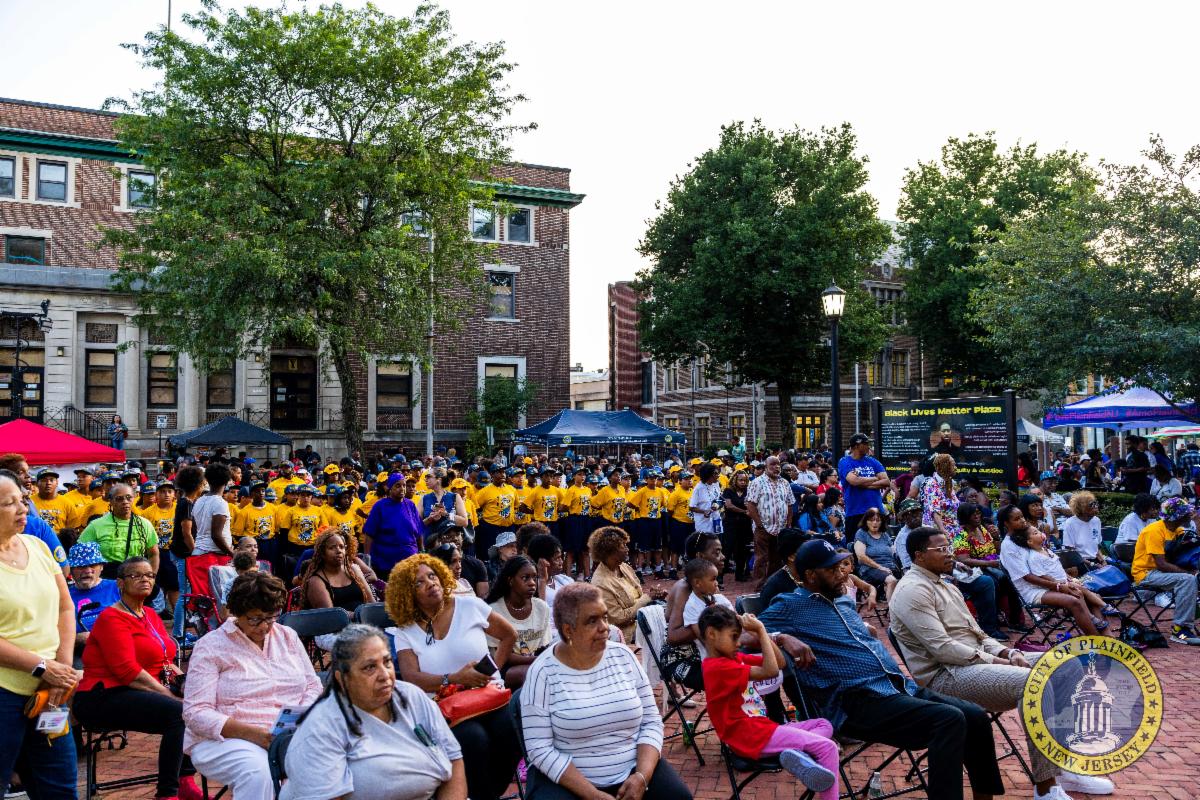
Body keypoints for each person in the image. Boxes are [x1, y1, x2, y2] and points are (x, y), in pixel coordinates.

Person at [757, 539, 1004, 800]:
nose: (841, 573)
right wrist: (780, 637)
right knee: (948, 720)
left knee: (975, 716)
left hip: (895, 686)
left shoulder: (842, 601)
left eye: (840, 567)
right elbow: (741, 631)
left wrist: (864, 632)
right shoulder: (791, 605)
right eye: (831, 569)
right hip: (856, 702)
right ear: (810, 575)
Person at [889, 527, 1106, 800]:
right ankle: (1046, 786)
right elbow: (942, 649)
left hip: (975, 662)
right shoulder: (912, 590)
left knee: (1067, 665)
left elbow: (979, 635)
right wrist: (999, 660)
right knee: (1033, 683)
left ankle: (1064, 764)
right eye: (941, 549)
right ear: (919, 556)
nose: (949, 554)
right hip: (945, 676)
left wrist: (1008, 652)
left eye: (949, 547)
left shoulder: (946, 584)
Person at [520, 582, 691, 800]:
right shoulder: (542, 672)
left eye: (605, 617)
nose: (605, 627)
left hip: (632, 770)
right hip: (569, 780)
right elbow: (539, 748)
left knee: (678, 797)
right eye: (592, 621)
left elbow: (651, 722)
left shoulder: (623, 657)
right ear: (568, 629)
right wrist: (593, 795)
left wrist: (641, 777)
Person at [386, 554, 521, 800]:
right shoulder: (405, 631)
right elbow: (412, 677)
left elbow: (509, 635)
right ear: (407, 593)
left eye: (432, 576)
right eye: (418, 582)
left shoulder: (469, 606)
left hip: (488, 696)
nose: (430, 583)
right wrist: (455, 678)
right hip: (444, 707)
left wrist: (493, 671)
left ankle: (488, 794)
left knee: (510, 730)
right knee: (473, 739)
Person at [280, 625, 467, 800]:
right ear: (343, 679)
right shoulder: (321, 727)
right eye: (369, 667)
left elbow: (454, 760)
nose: (385, 675)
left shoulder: (412, 697)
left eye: (387, 662)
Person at [184, 571, 323, 800]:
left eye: (271, 617)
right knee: (259, 772)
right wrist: (258, 735)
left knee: (338, 759)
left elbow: (312, 685)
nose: (265, 626)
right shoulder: (211, 646)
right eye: (255, 618)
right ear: (237, 612)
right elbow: (195, 713)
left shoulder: (287, 636)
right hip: (228, 739)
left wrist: (301, 714)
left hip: (288, 735)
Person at [74, 557, 200, 800]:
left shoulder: (149, 614)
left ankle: (185, 780)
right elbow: (127, 672)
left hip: (139, 690)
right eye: (137, 575)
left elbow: (165, 660)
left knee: (200, 706)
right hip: (103, 695)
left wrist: (185, 683)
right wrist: (170, 695)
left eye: (150, 575)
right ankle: (168, 793)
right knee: (179, 713)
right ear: (120, 583)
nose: (145, 580)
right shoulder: (111, 617)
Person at [699, 605, 838, 799]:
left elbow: (780, 663)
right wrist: (761, 630)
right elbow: (771, 671)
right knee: (827, 747)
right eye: (733, 637)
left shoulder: (733, 659)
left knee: (824, 724)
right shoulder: (718, 667)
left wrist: (761, 632)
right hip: (750, 736)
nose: (739, 643)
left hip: (761, 729)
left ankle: (798, 755)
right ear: (712, 634)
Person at [0, 469, 81, 799]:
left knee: (59, 786)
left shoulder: (37, 546)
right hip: (5, 690)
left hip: (49, 692)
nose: (23, 509)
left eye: (22, 500)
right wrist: (42, 667)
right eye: (9, 503)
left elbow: (65, 607)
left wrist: (60, 671)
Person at [996, 505, 1115, 637]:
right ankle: (1097, 641)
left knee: (1091, 596)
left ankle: (1109, 639)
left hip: (1052, 581)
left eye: (1022, 517)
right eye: (1016, 519)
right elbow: (1027, 577)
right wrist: (1059, 586)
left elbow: (1051, 564)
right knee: (1074, 600)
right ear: (1006, 523)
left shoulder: (1027, 535)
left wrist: (1067, 579)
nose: (1022, 520)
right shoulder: (1009, 546)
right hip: (1033, 590)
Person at [1130, 497, 1200, 645]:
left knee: (1195, 577)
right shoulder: (1154, 531)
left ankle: (1188, 621)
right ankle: (1180, 630)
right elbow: (1161, 565)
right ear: (1176, 516)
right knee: (1187, 579)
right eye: (1186, 513)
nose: (1189, 514)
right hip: (1146, 573)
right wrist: (1189, 573)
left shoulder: (1178, 530)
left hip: (1163, 571)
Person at [588, 526, 666, 643]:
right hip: (625, 633)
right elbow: (618, 618)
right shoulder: (600, 583)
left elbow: (637, 598)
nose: (627, 549)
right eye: (623, 546)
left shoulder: (624, 567)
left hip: (639, 623)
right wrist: (647, 598)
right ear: (611, 551)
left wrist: (654, 596)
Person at [484, 555, 552, 689]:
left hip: (535, 663)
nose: (532, 583)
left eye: (534, 577)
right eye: (525, 578)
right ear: (510, 581)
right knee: (530, 674)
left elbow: (544, 647)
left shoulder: (541, 607)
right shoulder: (494, 610)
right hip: (501, 667)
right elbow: (502, 656)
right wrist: (538, 661)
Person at [77, 481, 160, 580]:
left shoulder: (144, 524)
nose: (125, 501)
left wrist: (151, 577)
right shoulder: (96, 525)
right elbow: (80, 553)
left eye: (128, 497)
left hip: (136, 579)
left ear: (133, 499)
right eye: (119, 499)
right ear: (111, 501)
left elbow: (154, 554)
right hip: (107, 579)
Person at [187, 464, 235, 598]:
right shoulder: (220, 503)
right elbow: (216, 535)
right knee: (217, 599)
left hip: (199, 554)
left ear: (207, 480)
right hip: (213, 557)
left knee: (203, 600)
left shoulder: (198, 501)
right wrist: (232, 553)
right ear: (227, 482)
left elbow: (195, 530)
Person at [363, 475, 424, 578]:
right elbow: (369, 534)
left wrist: (422, 551)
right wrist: (367, 559)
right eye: (398, 486)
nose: (402, 488)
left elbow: (419, 531)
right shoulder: (380, 506)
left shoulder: (410, 505)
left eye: (404, 485)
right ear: (390, 488)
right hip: (386, 564)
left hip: (410, 562)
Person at [300, 529, 375, 614]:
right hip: (338, 622)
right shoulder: (316, 581)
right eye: (332, 548)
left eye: (341, 547)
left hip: (365, 620)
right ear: (322, 553)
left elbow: (371, 602)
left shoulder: (353, 570)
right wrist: (360, 615)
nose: (338, 551)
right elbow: (331, 615)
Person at [746, 455, 794, 586]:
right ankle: (759, 585)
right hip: (762, 528)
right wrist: (759, 524)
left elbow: (790, 504)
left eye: (778, 464)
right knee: (761, 558)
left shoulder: (785, 483)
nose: (776, 467)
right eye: (772, 464)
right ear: (766, 467)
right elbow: (750, 505)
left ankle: (773, 585)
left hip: (781, 528)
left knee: (777, 558)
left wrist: (789, 523)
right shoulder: (757, 482)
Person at [67, 541, 121, 646]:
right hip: (80, 651)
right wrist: (76, 639)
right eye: (81, 566)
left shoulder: (118, 587)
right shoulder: (64, 595)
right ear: (71, 570)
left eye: (92, 565)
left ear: (101, 567)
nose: (88, 570)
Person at [836, 433, 890, 536]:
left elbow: (886, 482)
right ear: (856, 446)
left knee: (878, 542)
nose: (868, 446)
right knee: (854, 543)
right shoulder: (845, 461)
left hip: (876, 511)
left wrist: (863, 484)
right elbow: (854, 481)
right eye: (865, 444)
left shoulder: (873, 461)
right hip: (856, 511)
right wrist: (875, 478)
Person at [852, 508, 898, 601]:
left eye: (878, 520)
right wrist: (880, 567)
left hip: (889, 567)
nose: (875, 523)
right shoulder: (862, 533)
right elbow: (861, 556)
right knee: (892, 580)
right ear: (866, 521)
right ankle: (892, 609)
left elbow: (893, 552)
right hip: (870, 569)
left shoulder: (885, 535)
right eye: (871, 520)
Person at [1060, 491, 1105, 572]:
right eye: (1092, 504)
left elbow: (1097, 547)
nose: (1096, 506)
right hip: (1080, 561)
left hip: (1095, 560)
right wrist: (1092, 564)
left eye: (1095, 503)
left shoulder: (1096, 520)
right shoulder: (1070, 523)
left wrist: (1103, 561)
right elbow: (1071, 552)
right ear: (1082, 508)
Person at [722, 471, 753, 582]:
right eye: (740, 480)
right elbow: (729, 506)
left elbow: (752, 505)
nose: (743, 482)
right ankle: (719, 576)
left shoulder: (748, 491)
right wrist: (744, 511)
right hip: (730, 524)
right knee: (727, 549)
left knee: (742, 550)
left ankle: (739, 574)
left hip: (745, 525)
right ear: (735, 480)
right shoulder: (728, 491)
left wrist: (748, 508)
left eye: (745, 480)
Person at [1114, 492, 1158, 560]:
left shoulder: (1151, 519)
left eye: (1155, 508)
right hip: (1126, 551)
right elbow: (1133, 542)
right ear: (1143, 510)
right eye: (1152, 509)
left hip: (1143, 550)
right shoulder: (1130, 520)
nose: (1155, 511)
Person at [892, 498, 924, 571]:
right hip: (914, 572)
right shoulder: (902, 538)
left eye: (918, 512)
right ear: (904, 518)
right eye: (912, 514)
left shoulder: (928, 529)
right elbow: (907, 566)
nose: (916, 516)